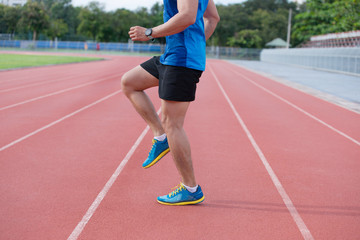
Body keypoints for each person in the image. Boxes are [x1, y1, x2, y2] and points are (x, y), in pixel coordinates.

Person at [121, 0, 220, 205]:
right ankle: (160, 137)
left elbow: (187, 16)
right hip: (172, 56)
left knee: (172, 123)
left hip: (181, 60)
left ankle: (190, 188)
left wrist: (149, 33)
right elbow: (213, 18)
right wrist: (198, 43)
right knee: (129, 83)